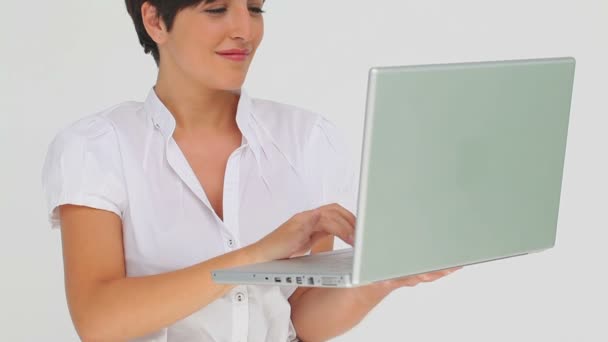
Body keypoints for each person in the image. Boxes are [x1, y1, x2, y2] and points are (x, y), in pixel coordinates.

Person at [41, 0, 460, 341]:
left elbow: (303, 319)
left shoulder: (308, 139)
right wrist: (259, 254)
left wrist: (382, 278)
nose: (245, 29)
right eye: (217, 9)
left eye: (256, 8)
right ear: (155, 20)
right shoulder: (97, 147)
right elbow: (99, 321)